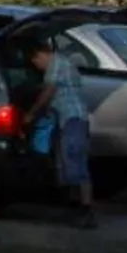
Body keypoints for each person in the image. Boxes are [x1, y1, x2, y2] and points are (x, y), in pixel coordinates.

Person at [22, 32, 98, 229]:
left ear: (39, 55)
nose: (37, 68)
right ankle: (76, 207)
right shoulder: (64, 63)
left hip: (73, 118)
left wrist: (31, 114)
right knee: (67, 161)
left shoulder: (56, 65)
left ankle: (85, 209)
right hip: (70, 118)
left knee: (75, 161)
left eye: (35, 63)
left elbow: (48, 92)